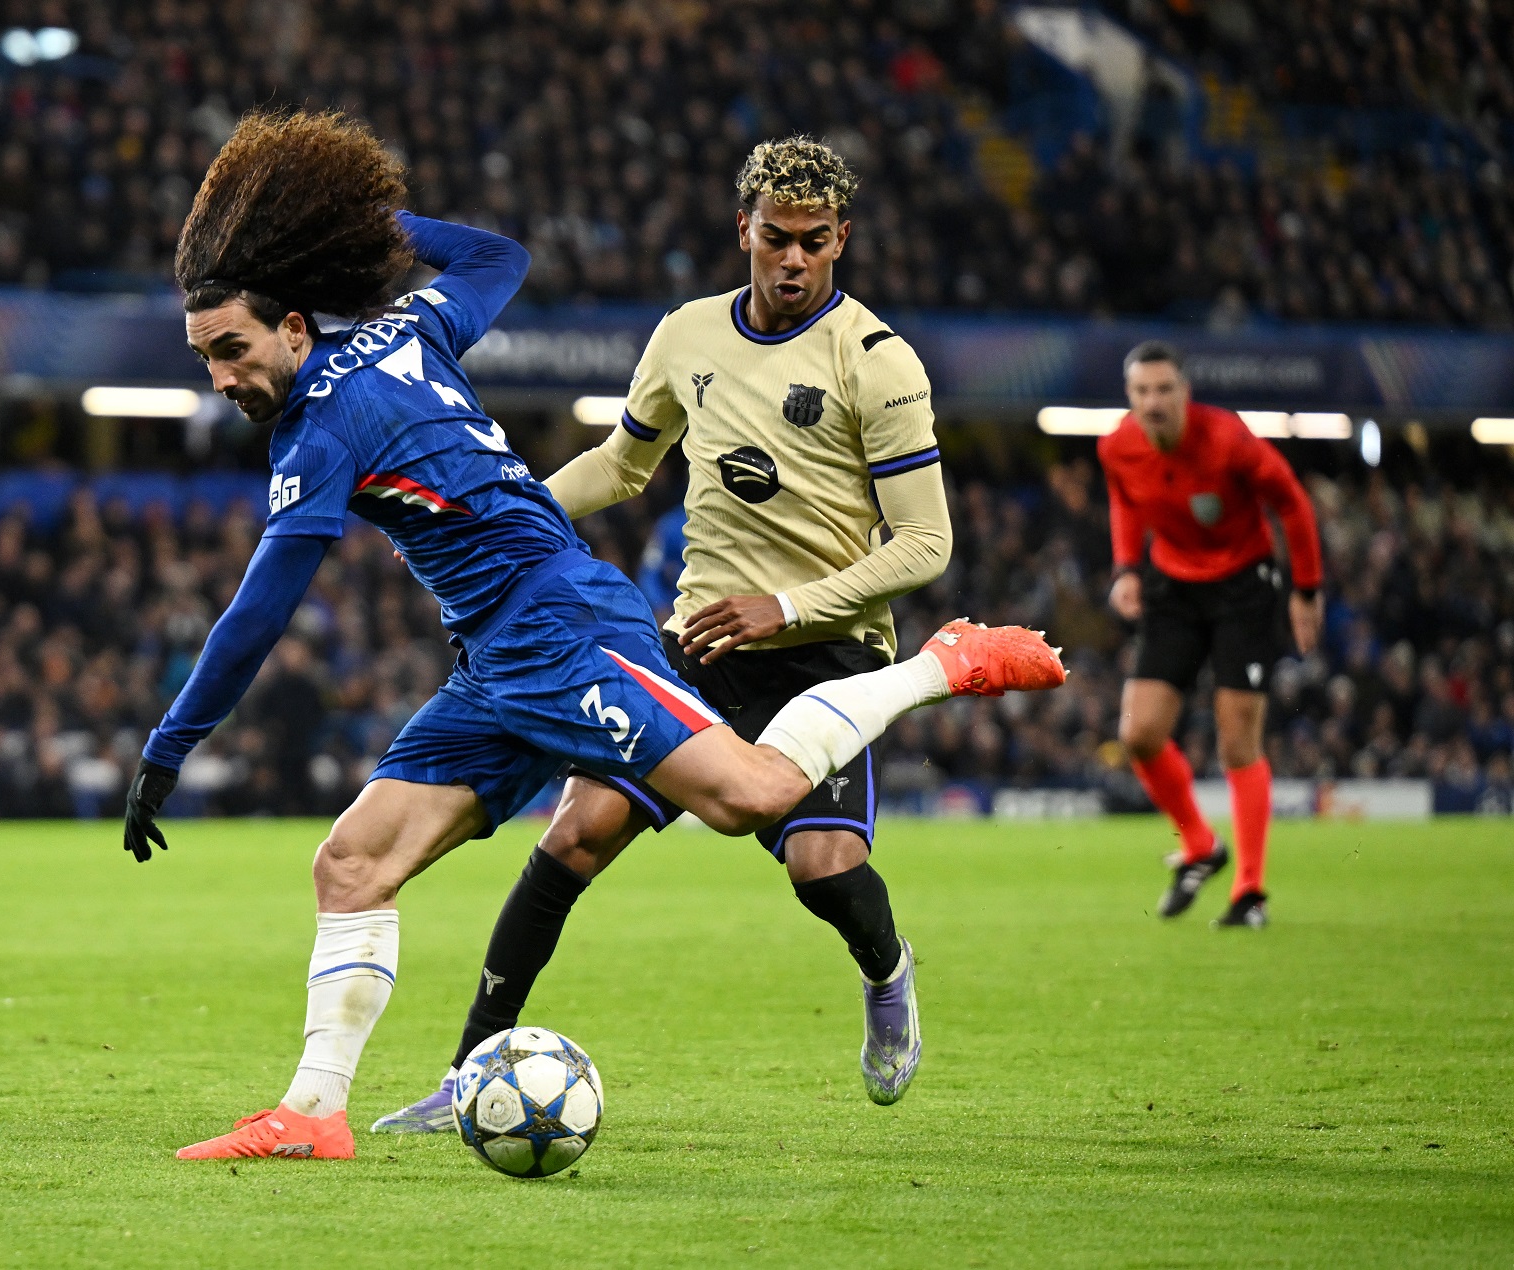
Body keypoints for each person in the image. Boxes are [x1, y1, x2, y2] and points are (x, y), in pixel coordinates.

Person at [121, 110, 1065, 1163]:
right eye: (205, 357)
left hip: (568, 630)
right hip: (499, 653)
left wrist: (168, 743)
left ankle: (948, 661)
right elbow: (494, 257)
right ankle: (311, 1112)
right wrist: (355, 230)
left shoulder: (318, 428)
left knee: (754, 797)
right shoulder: (406, 325)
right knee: (350, 863)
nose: (222, 378)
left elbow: (261, 607)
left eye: (233, 350)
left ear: (295, 326)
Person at [375, 136, 958, 1136]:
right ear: (743, 230)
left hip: (824, 654)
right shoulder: (685, 336)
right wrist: (489, 521)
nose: (791, 260)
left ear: (839, 241)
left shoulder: (877, 362)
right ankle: (467, 1070)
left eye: (813, 243)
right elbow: (621, 465)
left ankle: (885, 971)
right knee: (573, 835)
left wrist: (790, 604)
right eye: (774, 238)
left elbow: (925, 542)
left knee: (818, 868)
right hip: (696, 647)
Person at [1100, 342, 1323, 928]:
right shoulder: (1116, 446)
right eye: (1142, 391)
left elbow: (1292, 502)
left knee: (1235, 742)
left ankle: (1249, 892)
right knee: (1139, 734)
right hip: (1173, 586)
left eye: (1164, 390)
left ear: (1185, 392)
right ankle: (1201, 844)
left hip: (1243, 588)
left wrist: (1307, 589)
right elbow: (1124, 499)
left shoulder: (1228, 441)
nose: (1153, 402)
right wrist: (1126, 567)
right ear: (1130, 396)